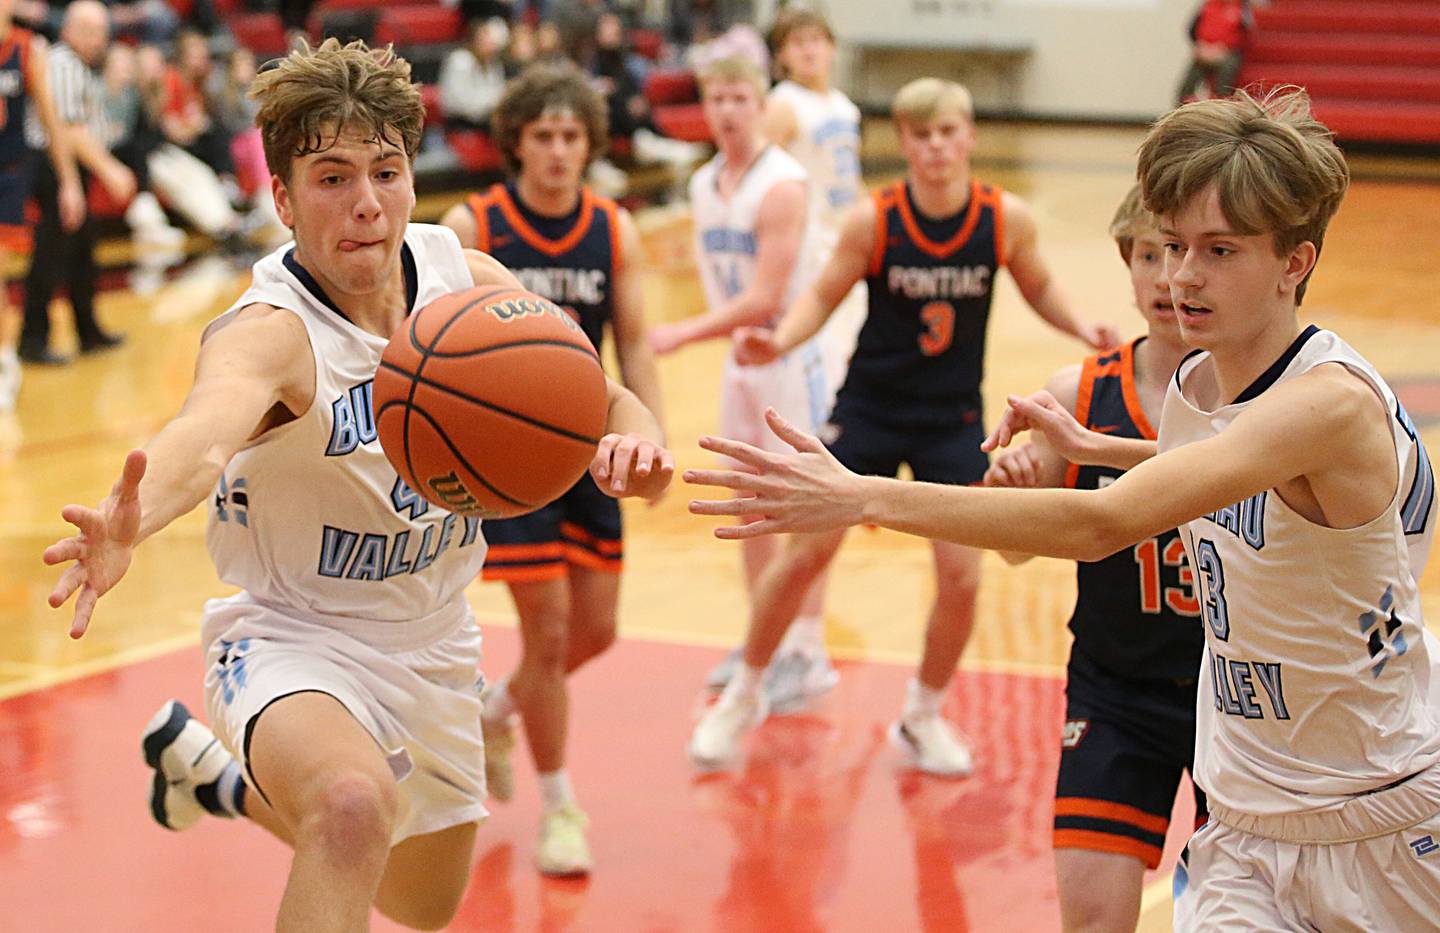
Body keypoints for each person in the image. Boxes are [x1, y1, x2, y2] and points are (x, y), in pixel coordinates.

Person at [686, 88, 1440, 930]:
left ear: (1294, 264)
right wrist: (1098, 447)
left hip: (1380, 806)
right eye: (1173, 247)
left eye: (1219, 251)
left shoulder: (1326, 403)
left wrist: (861, 494)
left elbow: (1103, 525)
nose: (1183, 276)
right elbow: (1233, 472)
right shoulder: (1205, 380)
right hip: (1249, 807)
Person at [43, 39, 671, 932]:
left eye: (386, 170)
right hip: (295, 634)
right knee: (347, 806)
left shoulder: (466, 284)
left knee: (422, 904)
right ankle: (250, 760)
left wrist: (636, 447)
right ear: (283, 198)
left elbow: (601, 395)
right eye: (332, 178)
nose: (367, 204)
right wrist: (129, 522)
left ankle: (215, 780)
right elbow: (203, 435)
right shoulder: (269, 330)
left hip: (435, 639)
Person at [683, 76, 1118, 773]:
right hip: (871, 411)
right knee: (807, 556)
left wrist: (1082, 325)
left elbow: (1038, 286)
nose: (936, 146)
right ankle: (744, 691)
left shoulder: (1002, 219)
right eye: (921, 135)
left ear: (968, 134)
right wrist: (782, 339)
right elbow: (822, 297)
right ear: (905, 143)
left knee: (963, 578)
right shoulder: (875, 220)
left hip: (951, 419)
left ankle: (921, 715)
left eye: (948, 131)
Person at [439, 63, 665, 877]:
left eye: (572, 136)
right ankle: (561, 805)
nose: (559, 152)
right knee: (552, 631)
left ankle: (495, 710)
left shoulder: (614, 228)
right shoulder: (478, 224)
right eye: (543, 136)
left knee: (597, 630)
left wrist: (651, 428)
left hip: (590, 446)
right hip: (504, 458)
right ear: (515, 143)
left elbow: (633, 341)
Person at [984, 186, 1205, 932]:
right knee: (1091, 919)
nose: (1167, 275)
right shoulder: (1079, 392)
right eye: (1149, 254)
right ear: (1129, 266)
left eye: (1179, 251)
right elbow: (1014, 550)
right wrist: (1010, 494)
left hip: (1238, 692)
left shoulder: (1260, 392)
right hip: (1118, 690)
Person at [648, 54, 839, 715]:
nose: (728, 110)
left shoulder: (782, 184)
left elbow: (764, 298)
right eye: (717, 98)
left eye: (739, 97)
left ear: (761, 105)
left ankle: (808, 650)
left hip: (790, 354)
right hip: (741, 359)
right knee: (746, 501)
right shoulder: (705, 183)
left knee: (803, 505)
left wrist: (680, 332)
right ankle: (767, 634)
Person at [18, 0, 131, 367]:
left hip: (66, 168)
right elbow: (68, 129)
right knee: (52, 253)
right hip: (54, 166)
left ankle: (88, 331)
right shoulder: (64, 63)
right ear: (72, 30)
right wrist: (109, 169)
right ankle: (32, 340)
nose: (101, 40)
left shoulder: (76, 66)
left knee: (82, 251)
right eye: (95, 32)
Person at [0, 0, 84, 406]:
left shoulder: (26, 48)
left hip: (11, 172)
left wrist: (69, 182)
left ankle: (5, 363)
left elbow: (52, 123)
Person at [1175, 0, 1252, 106]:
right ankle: (1180, 109)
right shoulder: (1206, 5)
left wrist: (1225, 48)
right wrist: (1201, 45)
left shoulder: (1242, 8)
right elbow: (1192, 29)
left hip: (1227, 52)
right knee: (1187, 84)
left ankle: (1221, 105)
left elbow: (1246, 35)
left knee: (1227, 73)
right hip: (1204, 50)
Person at [438, 17, 506, 134]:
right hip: (461, 123)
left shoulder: (493, 63)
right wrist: (493, 103)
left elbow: (500, 91)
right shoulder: (460, 61)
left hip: (486, 118)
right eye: (486, 39)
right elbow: (461, 103)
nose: (491, 44)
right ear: (474, 40)